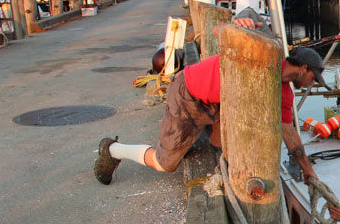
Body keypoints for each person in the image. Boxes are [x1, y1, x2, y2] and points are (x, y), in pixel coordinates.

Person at [93, 39, 327, 185]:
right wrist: (240, 24)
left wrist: (307, 170)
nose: (312, 84)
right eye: (312, 78)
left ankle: (194, 143)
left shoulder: (284, 93)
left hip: (217, 104)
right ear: (303, 69)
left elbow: (291, 136)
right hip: (188, 94)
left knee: (222, 149)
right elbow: (221, 30)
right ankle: (112, 149)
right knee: (165, 163)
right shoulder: (261, 56)